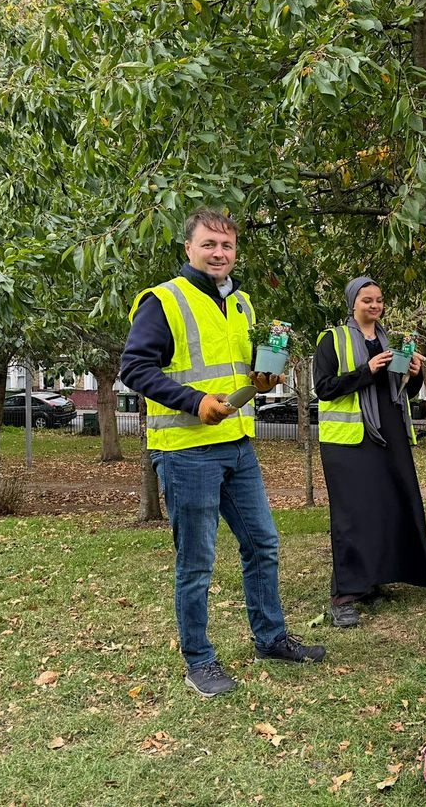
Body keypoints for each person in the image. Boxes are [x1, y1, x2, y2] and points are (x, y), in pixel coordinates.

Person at [120, 209, 325, 698]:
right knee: (197, 562)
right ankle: (199, 659)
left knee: (263, 544)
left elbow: (241, 372)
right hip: (187, 452)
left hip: (236, 446)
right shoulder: (164, 301)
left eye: (227, 246)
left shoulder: (244, 305)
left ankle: (271, 638)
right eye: (209, 244)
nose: (219, 253)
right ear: (188, 248)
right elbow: (135, 368)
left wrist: (264, 379)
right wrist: (193, 401)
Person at [312, 276, 426, 628]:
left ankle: (375, 579)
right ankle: (345, 593)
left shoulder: (393, 340)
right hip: (349, 441)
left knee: (389, 505)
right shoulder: (332, 339)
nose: (375, 306)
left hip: (391, 434)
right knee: (353, 514)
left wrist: (415, 374)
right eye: (367, 300)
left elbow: (405, 391)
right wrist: (365, 370)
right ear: (353, 303)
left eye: (379, 300)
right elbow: (323, 388)